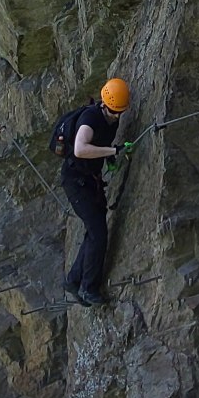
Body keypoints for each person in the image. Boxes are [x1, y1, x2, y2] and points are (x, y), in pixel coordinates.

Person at [60, 79, 134, 307]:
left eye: (120, 112)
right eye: (113, 112)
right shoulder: (90, 118)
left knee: (94, 232)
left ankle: (74, 280)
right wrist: (113, 150)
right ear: (105, 105)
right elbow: (80, 149)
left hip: (88, 181)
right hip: (75, 181)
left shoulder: (109, 119)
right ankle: (88, 288)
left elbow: (98, 144)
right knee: (98, 233)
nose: (116, 117)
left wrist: (109, 158)